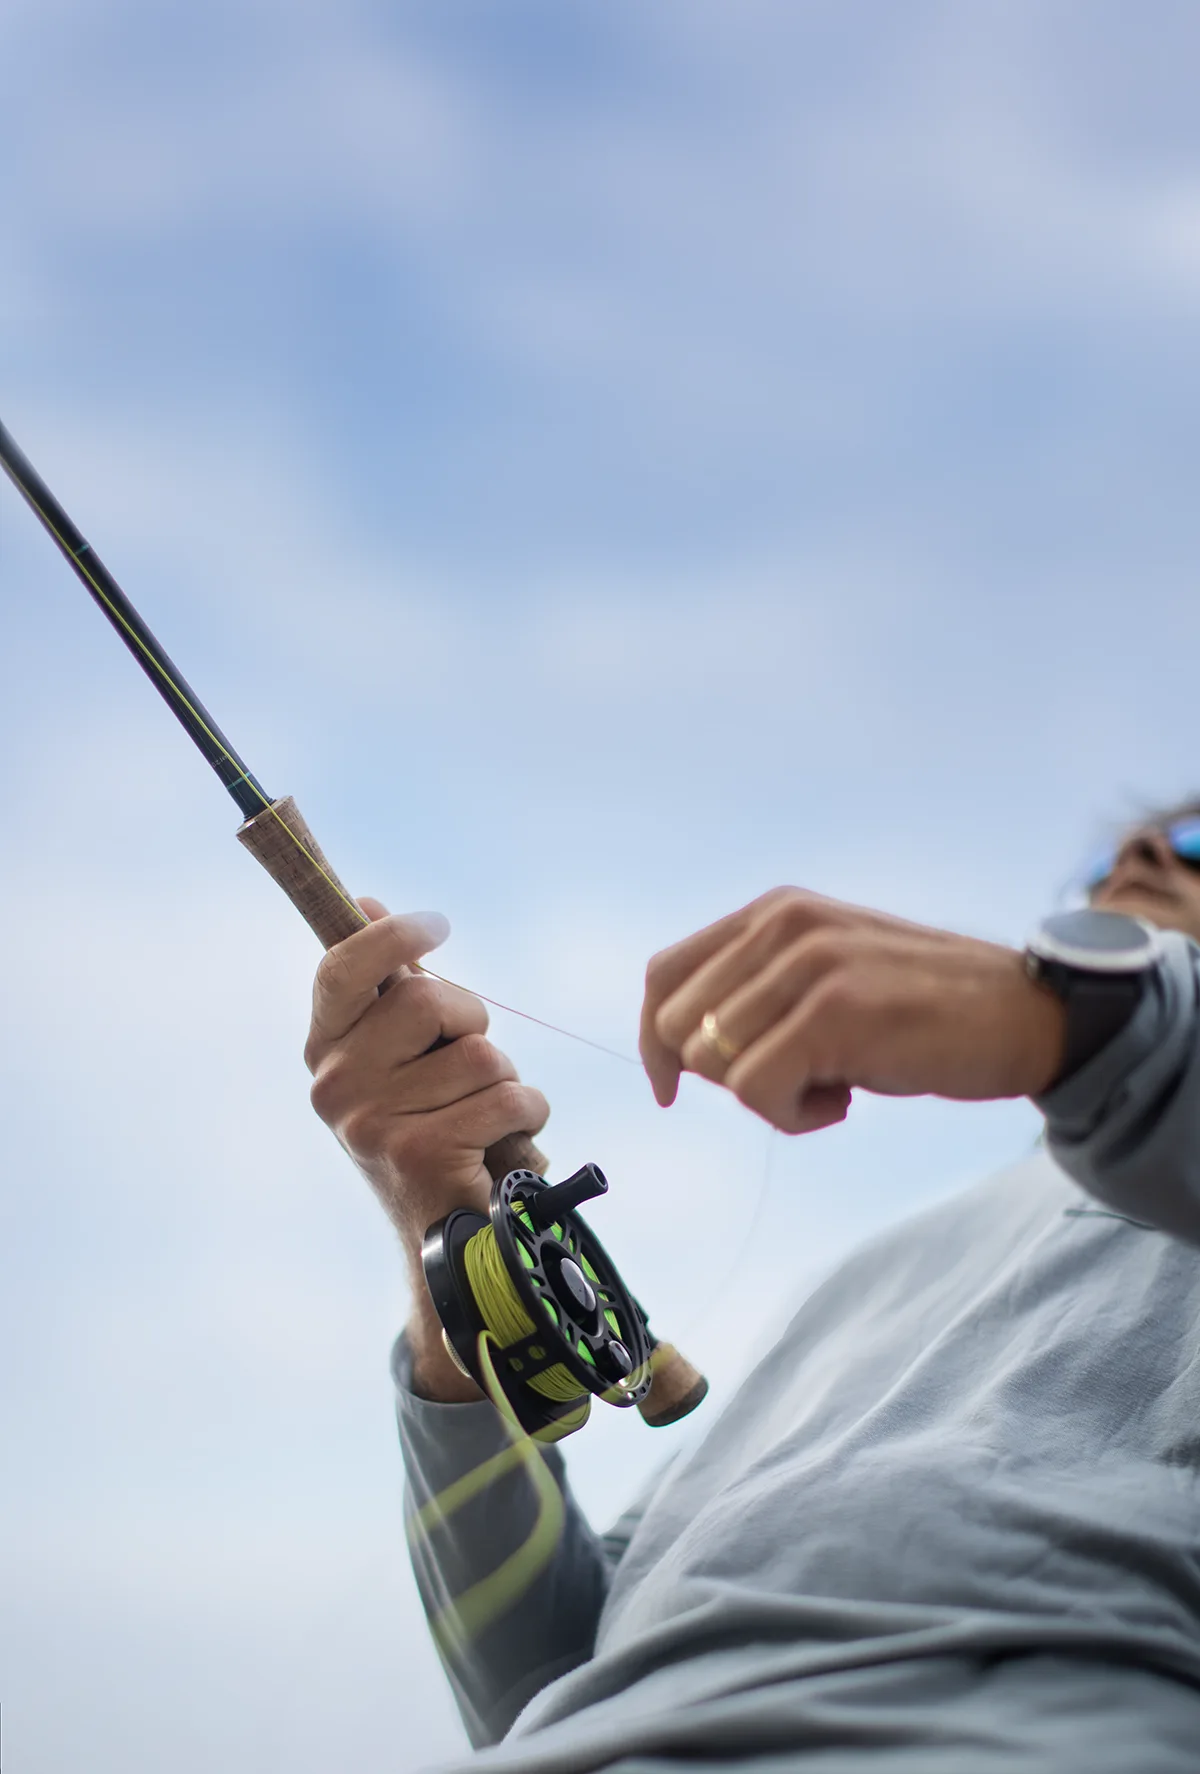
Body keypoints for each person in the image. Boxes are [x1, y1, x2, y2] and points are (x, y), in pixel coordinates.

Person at [304, 803, 1200, 1773]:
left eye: (1194, 842)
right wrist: (457, 1252)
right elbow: (534, 1686)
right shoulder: (858, 1281)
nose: (1145, 852)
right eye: (1113, 860)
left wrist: (1087, 1013)